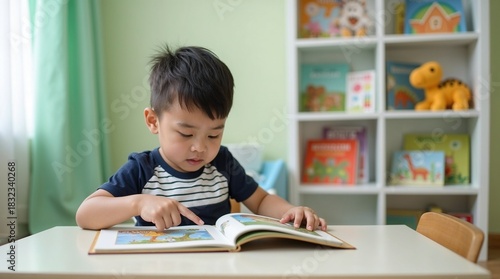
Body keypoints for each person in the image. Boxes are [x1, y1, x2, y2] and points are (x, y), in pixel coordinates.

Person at [75, 45, 327, 232]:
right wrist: (137, 203)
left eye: (214, 134)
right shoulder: (142, 169)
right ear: (153, 121)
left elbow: (261, 200)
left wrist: (290, 211)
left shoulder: (222, 163)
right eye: (186, 133)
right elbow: (86, 214)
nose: (200, 147)